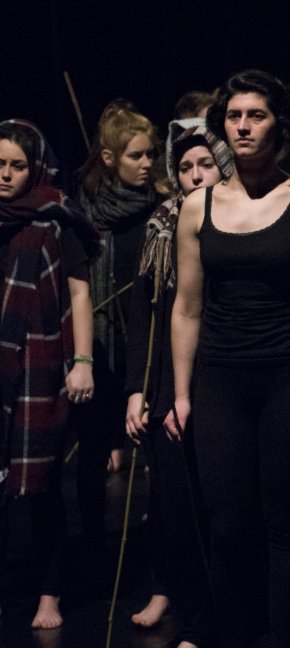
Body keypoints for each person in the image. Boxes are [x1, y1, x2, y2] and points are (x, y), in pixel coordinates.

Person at [166, 69, 290, 648]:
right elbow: (187, 309)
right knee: (225, 524)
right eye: (235, 116)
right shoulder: (199, 205)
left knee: (283, 521)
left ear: (279, 123)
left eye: (257, 115)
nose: (243, 125)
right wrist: (183, 394)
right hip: (220, 378)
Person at [124, 121, 233, 648]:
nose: (194, 175)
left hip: (225, 373)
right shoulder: (161, 228)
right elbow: (145, 319)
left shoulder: (241, 222)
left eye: (204, 164)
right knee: (178, 511)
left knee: (226, 511)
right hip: (171, 380)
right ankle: (196, 628)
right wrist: (136, 391)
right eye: (185, 167)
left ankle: (237, 634)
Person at [0, 120, 98, 628]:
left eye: (17, 166)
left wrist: (82, 361)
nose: (6, 175)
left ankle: (50, 592)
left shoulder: (56, 218)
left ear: (34, 167)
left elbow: (80, 292)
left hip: (39, 368)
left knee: (41, 485)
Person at [76, 107, 162, 556]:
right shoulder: (87, 214)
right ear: (109, 158)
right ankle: (93, 548)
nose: (147, 163)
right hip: (102, 345)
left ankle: (157, 550)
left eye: (151, 154)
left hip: (147, 346)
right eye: (136, 156)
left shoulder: (162, 208)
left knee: (156, 454)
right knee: (91, 451)